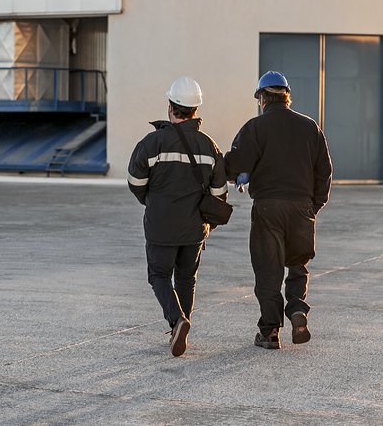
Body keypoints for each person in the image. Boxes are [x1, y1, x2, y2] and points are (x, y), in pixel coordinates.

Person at [224, 71, 332, 350]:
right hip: (301, 208)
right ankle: (297, 311)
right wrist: (314, 205)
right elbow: (325, 172)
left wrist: (236, 172)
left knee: (268, 270)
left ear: (262, 98)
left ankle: (270, 331)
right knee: (298, 264)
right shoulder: (310, 127)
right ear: (287, 97)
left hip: (268, 208)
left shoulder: (255, 128)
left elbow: (234, 164)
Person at [127, 76, 228, 357]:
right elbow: (220, 191)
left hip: (160, 226)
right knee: (186, 279)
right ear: (196, 110)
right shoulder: (210, 146)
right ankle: (181, 328)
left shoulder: (152, 142)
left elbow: (135, 182)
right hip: (195, 227)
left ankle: (177, 320)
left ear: (171, 107)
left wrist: (151, 201)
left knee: (159, 275)